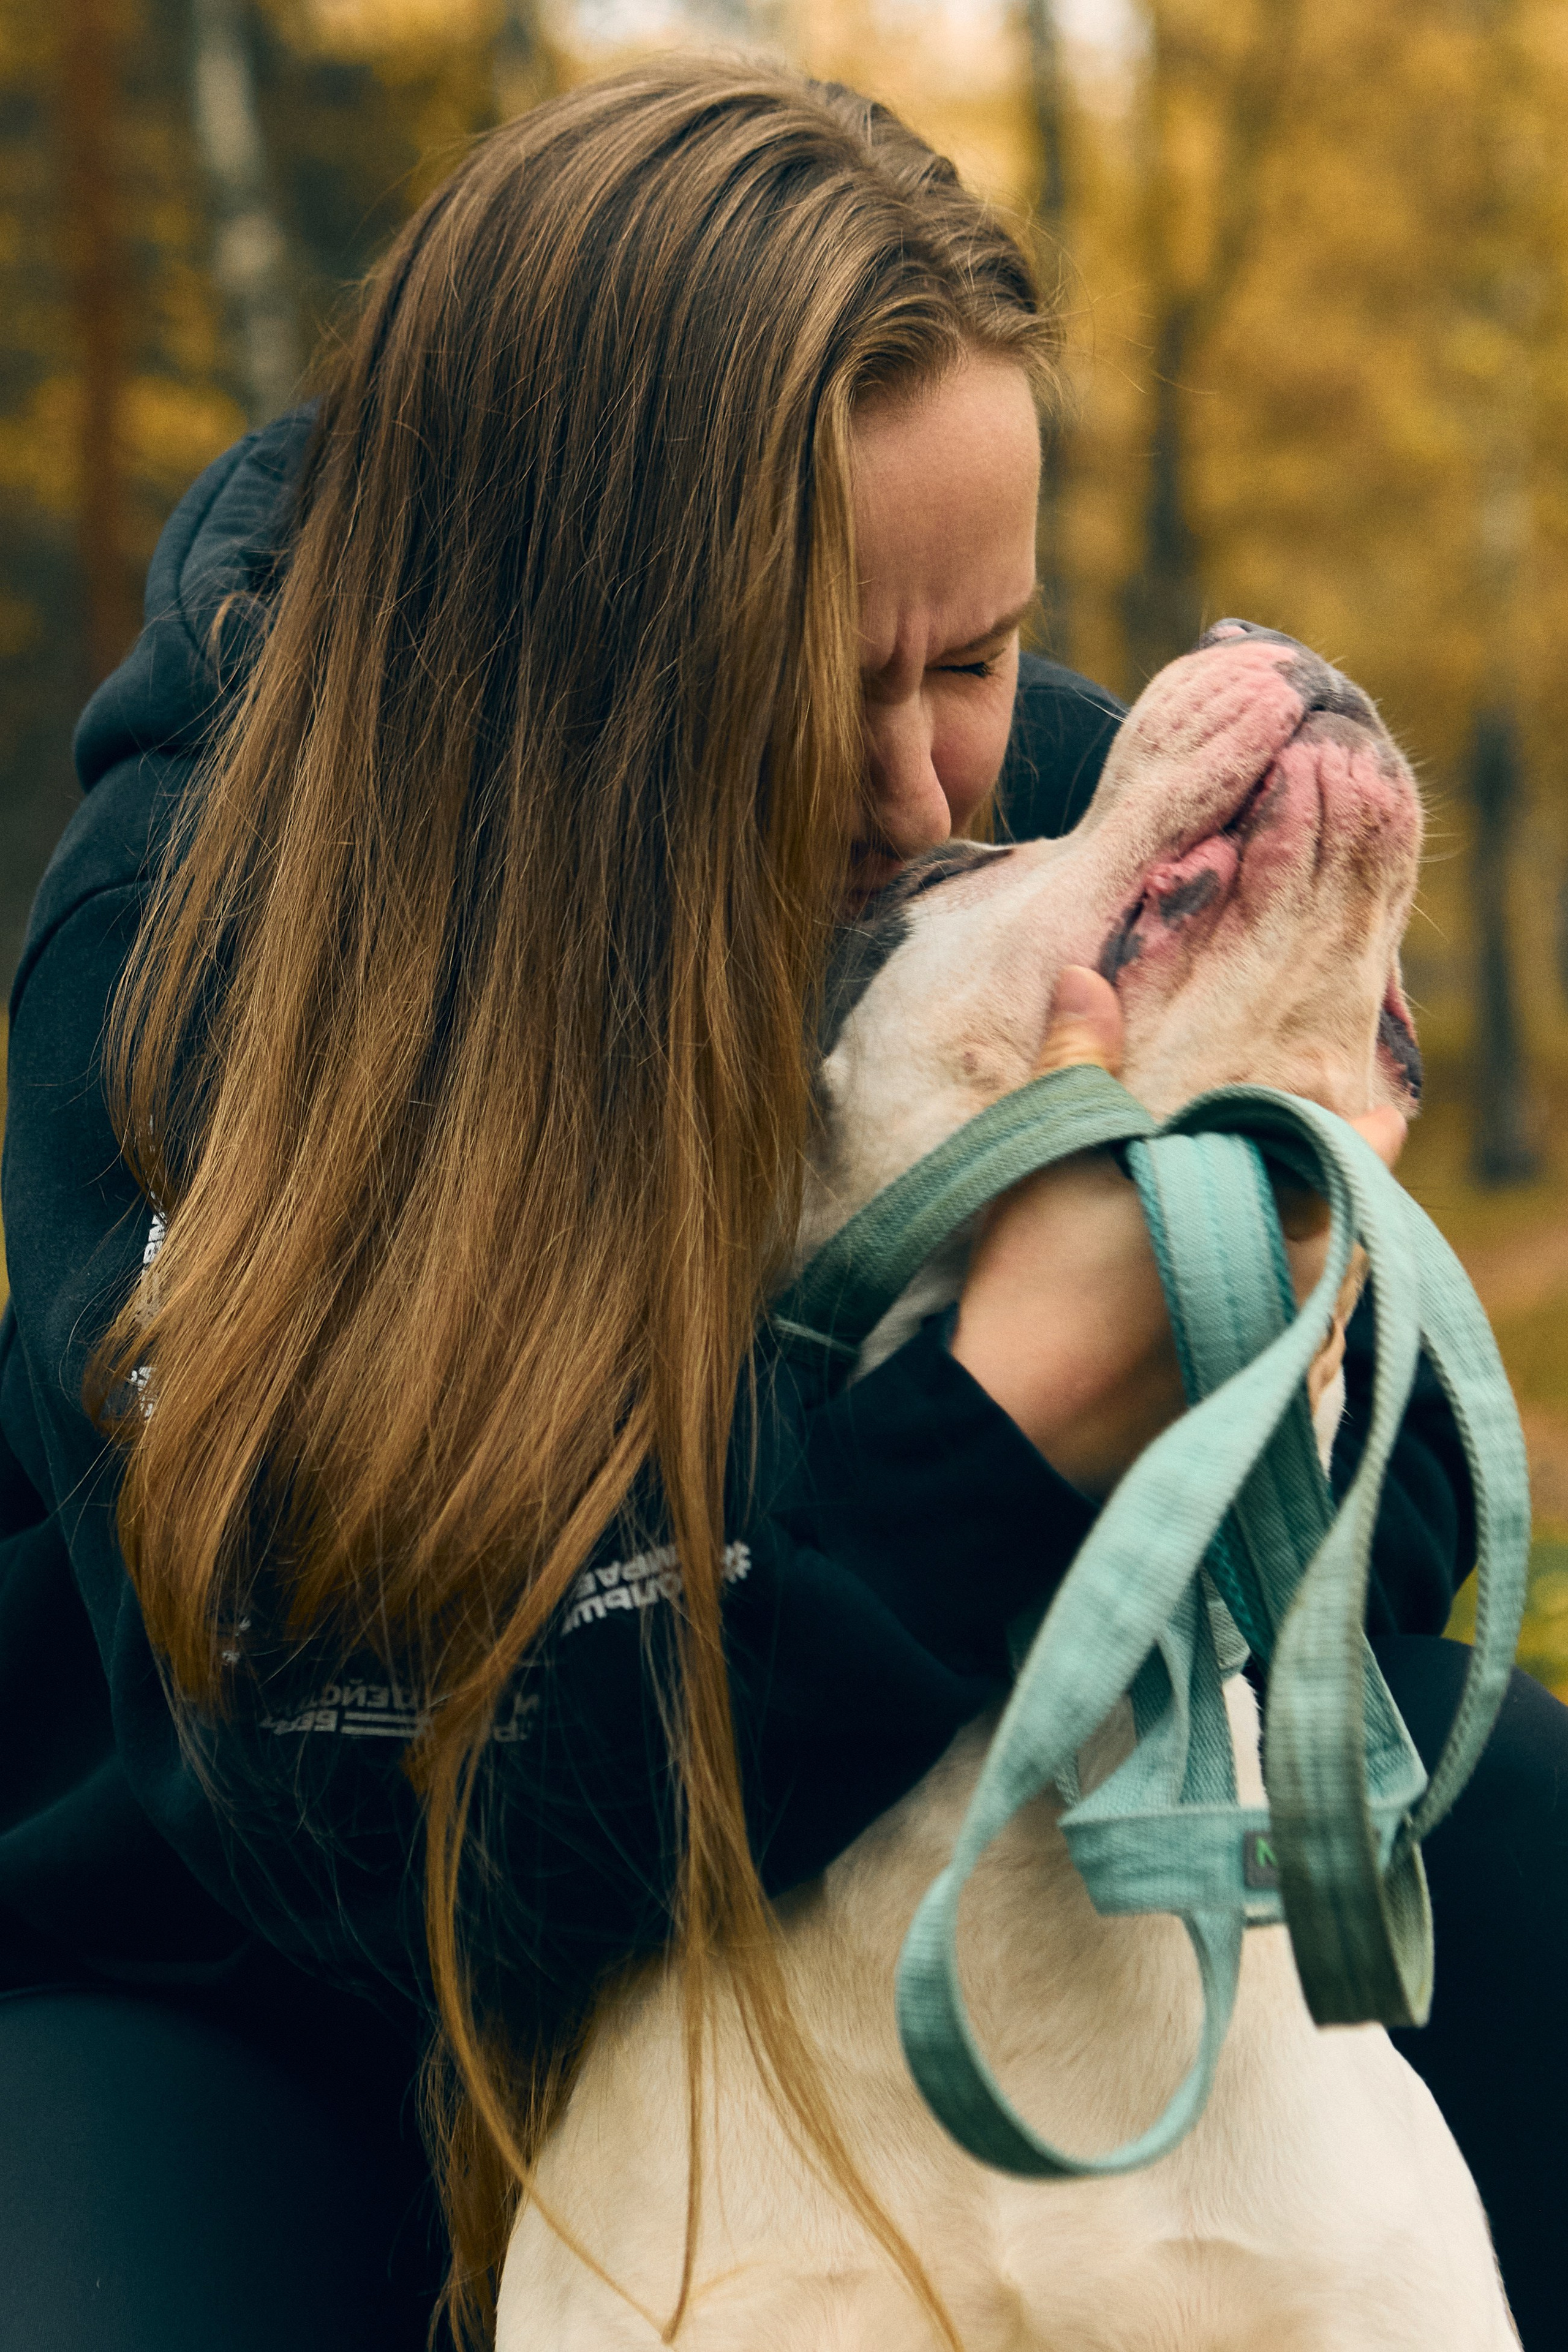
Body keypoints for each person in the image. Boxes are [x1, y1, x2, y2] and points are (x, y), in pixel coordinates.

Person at [0, 56, 1561, 2352]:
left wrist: (1270, 1268)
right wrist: (1016, 1413)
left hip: (874, 1832)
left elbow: (1378, 1555)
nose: (932, 779)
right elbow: (353, 1815)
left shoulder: (999, 791)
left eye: (981, 651)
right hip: (270, 1978)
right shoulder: (195, 930)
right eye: (802, 687)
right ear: (545, 683)